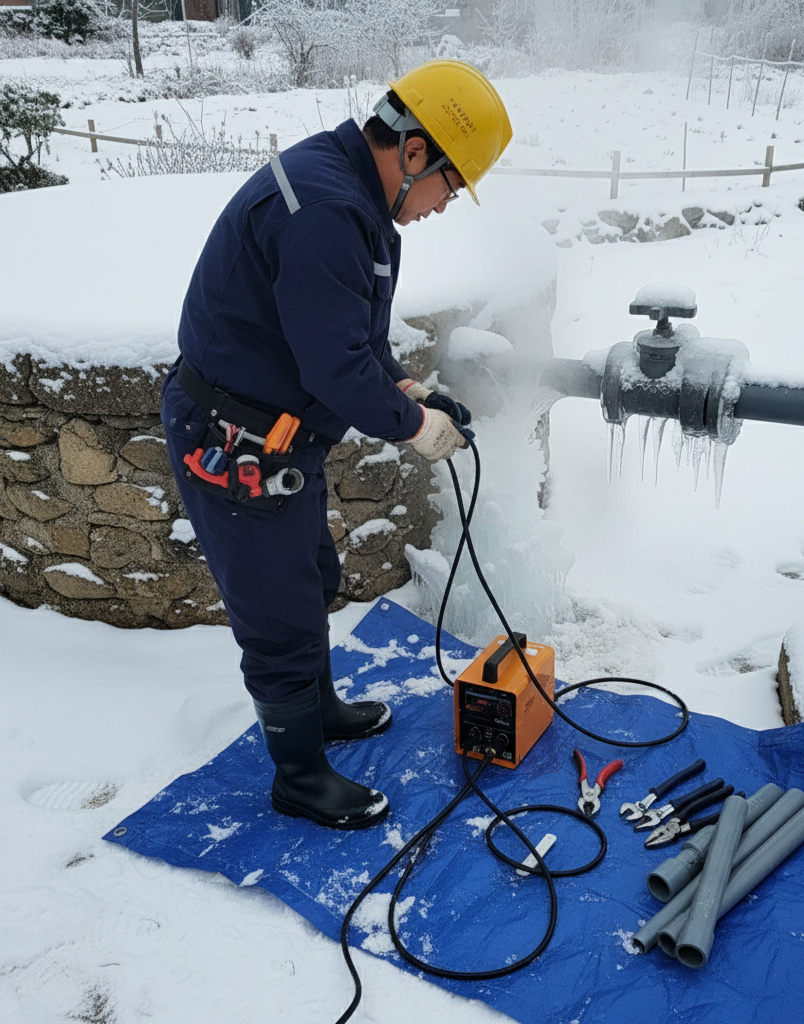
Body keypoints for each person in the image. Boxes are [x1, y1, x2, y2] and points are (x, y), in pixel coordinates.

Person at [160, 61, 513, 831]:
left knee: (309, 574)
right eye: (450, 188)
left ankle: (315, 711)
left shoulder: (343, 185)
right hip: (235, 440)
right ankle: (298, 776)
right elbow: (333, 365)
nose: (443, 207)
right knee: (277, 608)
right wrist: (416, 428)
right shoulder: (326, 209)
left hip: (277, 436)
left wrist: (407, 390)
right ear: (415, 152)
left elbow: (341, 332)